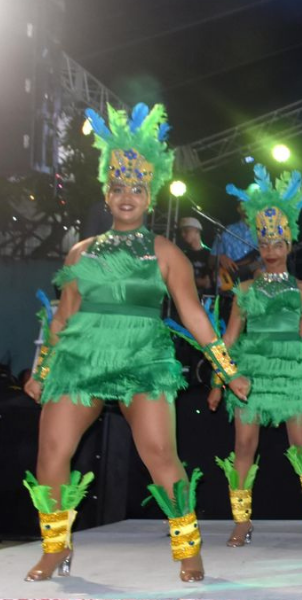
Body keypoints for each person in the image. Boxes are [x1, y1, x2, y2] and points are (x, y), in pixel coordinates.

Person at [23, 103, 249, 582]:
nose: (128, 196)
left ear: (151, 195)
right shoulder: (81, 251)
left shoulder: (165, 252)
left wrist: (227, 370)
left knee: (159, 454)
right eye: (119, 187)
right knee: (51, 452)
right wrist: (41, 370)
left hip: (143, 358)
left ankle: (188, 547)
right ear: (107, 194)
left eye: (138, 188)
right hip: (81, 359)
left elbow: (193, 316)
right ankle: (55, 547)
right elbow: (63, 316)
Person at [207, 165, 302, 551]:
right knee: (244, 448)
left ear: (289, 244)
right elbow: (229, 338)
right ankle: (241, 522)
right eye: (264, 244)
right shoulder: (245, 288)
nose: (270, 250)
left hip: (293, 376)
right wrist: (219, 380)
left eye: (277, 243)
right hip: (251, 375)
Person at [212, 204, 258, 286]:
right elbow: (210, 260)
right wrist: (220, 258)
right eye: (245, 202)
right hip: (231, 286)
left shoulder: (266, 232)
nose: (249, 206)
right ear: (239, 209)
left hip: (260, 286)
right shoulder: (226, 231)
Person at [177, 217, 215, 295]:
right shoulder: (183, 256)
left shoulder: (211, 254)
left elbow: (212, 281)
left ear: (197, 231)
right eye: (182, 231)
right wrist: (198, 282)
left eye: (186, 231)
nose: (183, 234)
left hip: (207, 300)